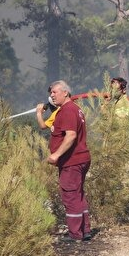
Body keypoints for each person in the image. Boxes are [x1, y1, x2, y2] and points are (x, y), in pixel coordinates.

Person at [46, 80, 92, 242]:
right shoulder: (75, 109)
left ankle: (75, 234)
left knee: (70, 196)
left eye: (55, 92)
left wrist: (56, 155)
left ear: (65, 93)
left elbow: (71, 135)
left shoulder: (67, 110)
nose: (52, 95)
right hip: (80, 159)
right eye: (51, 93)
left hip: (72, 162)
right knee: (78, 195)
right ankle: (85, 230)